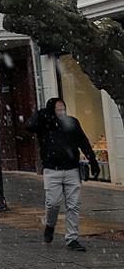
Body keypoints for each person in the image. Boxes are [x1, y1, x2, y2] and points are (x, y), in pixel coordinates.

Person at [26, 97, 100, 252]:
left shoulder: (71, 122)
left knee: (73, 205)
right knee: (53, 204)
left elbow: (83, 142)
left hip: (72, 170)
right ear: (51, 110)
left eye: (63, 109)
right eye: (58, 109)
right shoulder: (44, 123)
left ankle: (72, 238)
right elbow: (29, 125)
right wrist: (41, 114)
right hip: (52, 170)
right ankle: (50, 225)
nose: (61, 112)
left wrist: (92, 159)